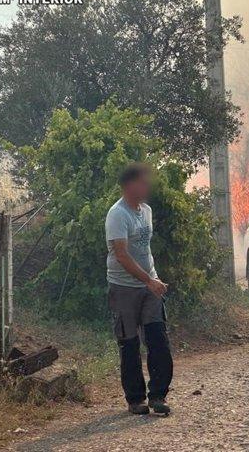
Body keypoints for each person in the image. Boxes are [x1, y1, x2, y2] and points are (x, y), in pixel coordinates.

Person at [105, 162, 173, 416]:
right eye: (142, 182)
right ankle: (136, 399)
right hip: (124, 288)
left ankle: (158, 396)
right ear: (128, 185)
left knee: (158, 340)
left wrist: (152, 279)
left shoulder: (146, 211)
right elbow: (121, 255)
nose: (147, 187)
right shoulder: (117, 214)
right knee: (129, 344)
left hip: (149, 285)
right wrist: (148, 280)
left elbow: (144, 249)